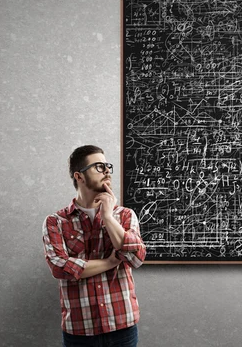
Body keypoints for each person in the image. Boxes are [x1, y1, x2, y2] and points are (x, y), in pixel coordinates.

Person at [42, 145, 146, 346]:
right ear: (79, 176)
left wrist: (107, 216)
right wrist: (110, 261)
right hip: (80, 331)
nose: (107, 171)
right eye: (99, 167)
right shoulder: (55, 222)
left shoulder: (124, 215)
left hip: (122, 326)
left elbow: (135, 258)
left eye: (107, 166)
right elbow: (60, 267)